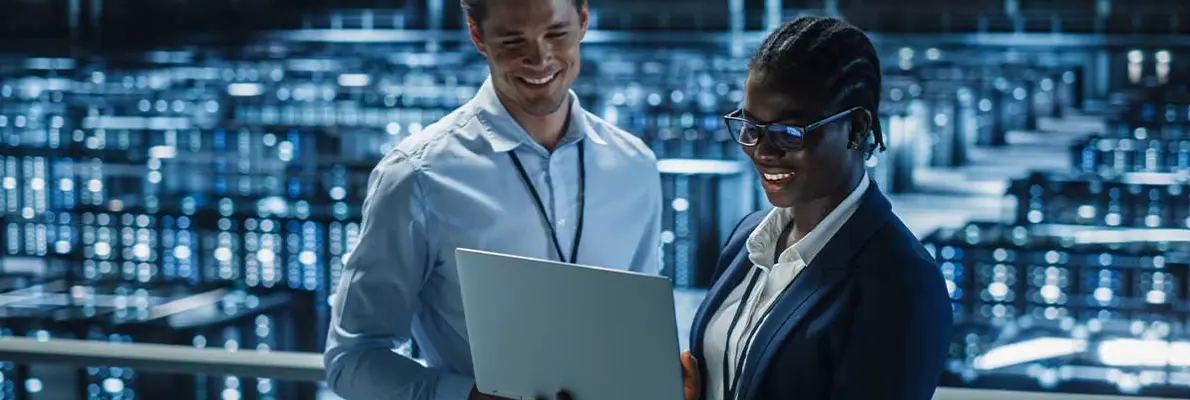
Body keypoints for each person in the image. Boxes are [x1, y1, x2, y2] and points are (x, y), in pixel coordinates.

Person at [322, 0, 664, 398]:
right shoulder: (417, 176)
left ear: (583, 21)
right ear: (476, 34)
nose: (540, 58)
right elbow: (352, 358)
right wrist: (466, 396)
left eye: (556, 33)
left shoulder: (634, 166)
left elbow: (641, 334)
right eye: (513, 39)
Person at [680, 16, 953, 400]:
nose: (762, 151)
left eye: (789, 133)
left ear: (858, 128)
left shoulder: (900, 282)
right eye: (750, 128)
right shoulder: (748, 238)